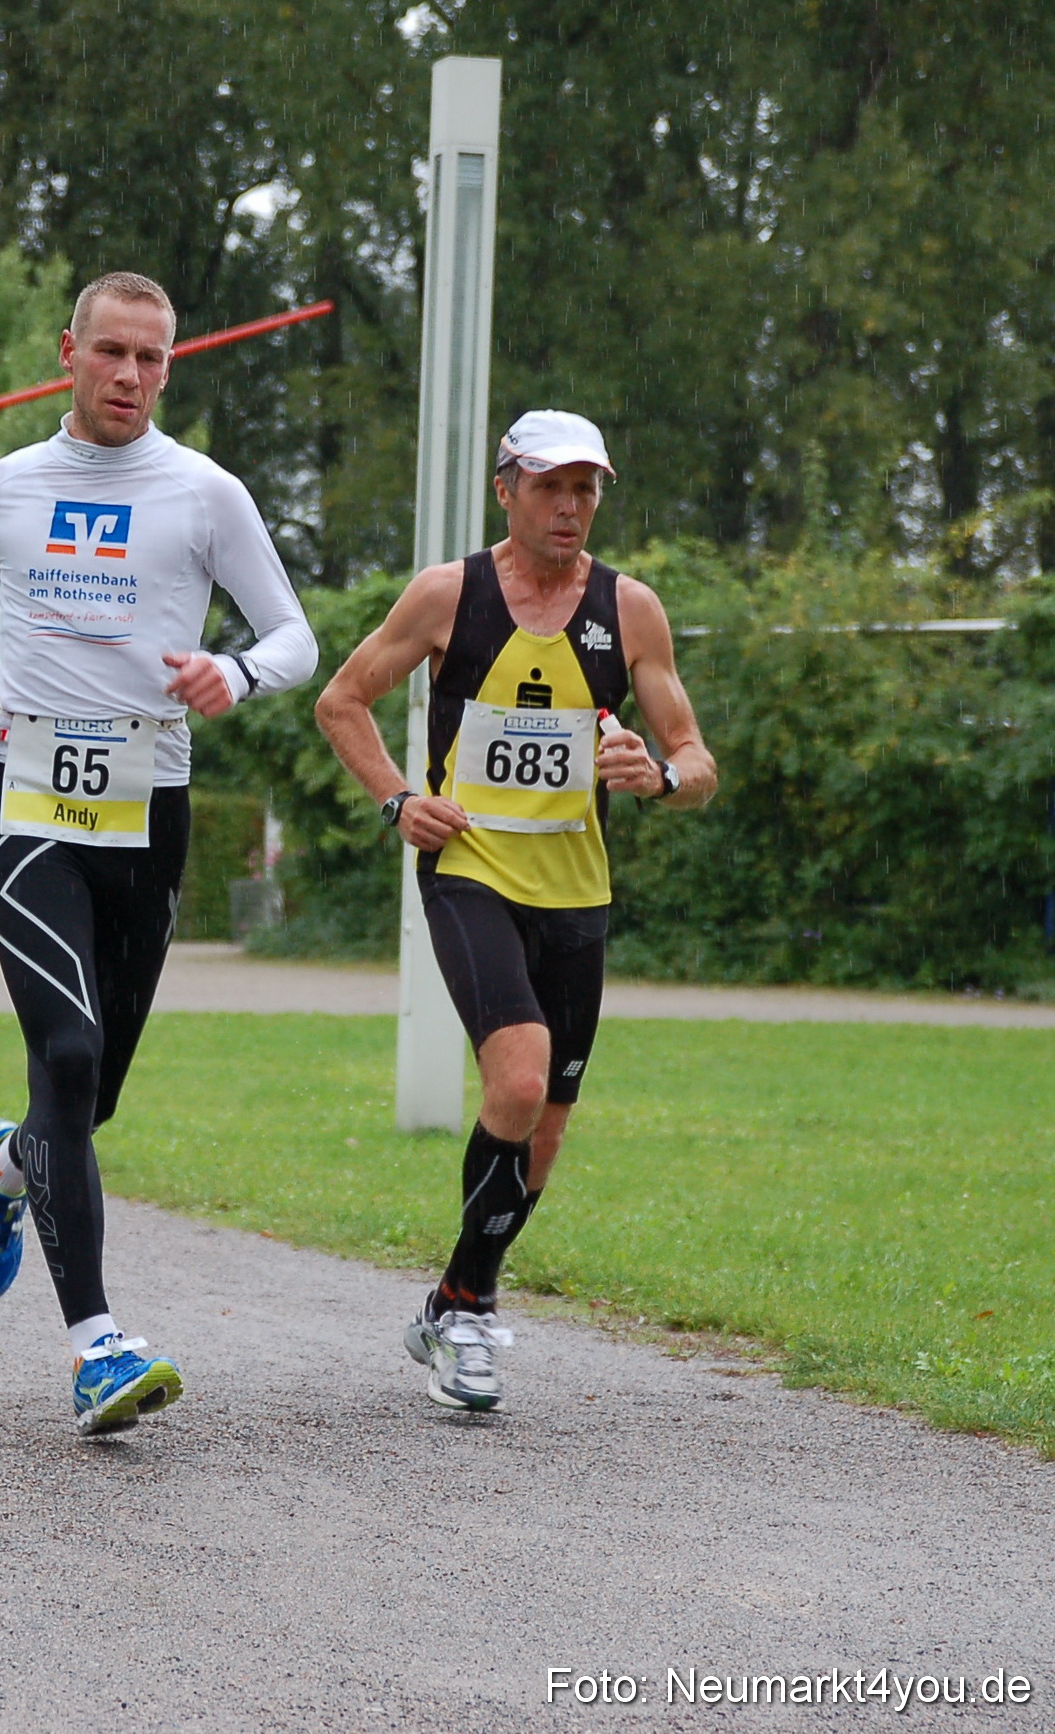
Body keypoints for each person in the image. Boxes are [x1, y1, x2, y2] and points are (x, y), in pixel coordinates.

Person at [0, 271, 318, 1435]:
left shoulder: (205, 493)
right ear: (69, 353)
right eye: (113, 353)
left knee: (83, 1106)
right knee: (71, 1048)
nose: (134, 377)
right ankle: (98, 1346)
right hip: (29, 801)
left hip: (149, 811)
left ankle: (6, 1169)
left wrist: (233, 674)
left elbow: (291, 631)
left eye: (154, 359)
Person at [315, 409, 717, 1412]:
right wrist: (398, 799)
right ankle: (470, 1319)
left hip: (577, 893)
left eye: (585, 488)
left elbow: (698, 760)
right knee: (519, 1073)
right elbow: (342, 699)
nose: (570, 506)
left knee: (542, 1132)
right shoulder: (450, 593)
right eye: (550, 486)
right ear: (505, 489)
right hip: (470, 871)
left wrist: (658, 776)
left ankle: (456, 1296)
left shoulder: (631, 611)